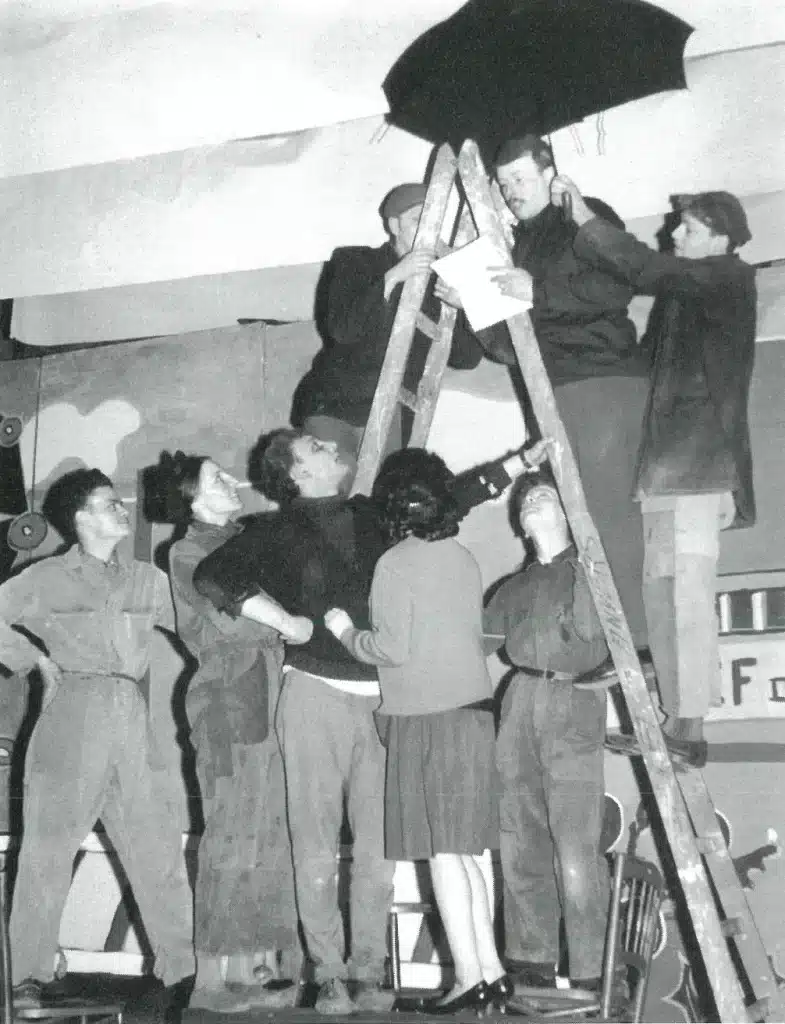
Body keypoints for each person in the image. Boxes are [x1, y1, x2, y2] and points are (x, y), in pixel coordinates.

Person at [191, 429, 550, 1015]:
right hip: (313, 696)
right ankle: (328, 974)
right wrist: (286, 621)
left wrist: (517, 462)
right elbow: (214, 576)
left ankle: (368, 971)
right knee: (313, 843)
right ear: (295, 473)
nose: (332, 448)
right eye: (316, 447)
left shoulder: (376, 515)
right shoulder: (271, 531)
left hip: (387, 703)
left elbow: (451, 496)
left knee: (380, 847)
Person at [550, 177, 757, 766]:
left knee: (687, 596)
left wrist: (586, 217)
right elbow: (643, 358)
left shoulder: (726, 277)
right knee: (660, 592)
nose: (673, 233)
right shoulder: (684, 296)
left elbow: (642, 267)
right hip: (666, 467)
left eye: (687, 228)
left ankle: (689, 729)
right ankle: (672, 721)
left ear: (720, 238)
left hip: (700, 465)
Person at [436, 133, 650, 647]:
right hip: (557, 388)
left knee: (607, 515)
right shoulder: (522, 242)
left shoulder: (585, 215)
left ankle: (635, 645)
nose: (511, 191)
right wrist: (472, 305)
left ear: (549, 171)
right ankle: (613, 640)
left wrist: (540, 291)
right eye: (504, 183)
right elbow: (511, 349)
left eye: (521, 179)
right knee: (586, 517)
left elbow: (620, 284)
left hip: (602, 379)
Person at [0, 469, 194, 1010]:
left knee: (158, 848)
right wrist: (33, 659)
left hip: (131, 715)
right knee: (46, 850)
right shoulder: (45, 577)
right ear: (81, 517)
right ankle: (28, 974)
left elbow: (197, 625)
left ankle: (182, 971)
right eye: (109, 503)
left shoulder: (148, 580)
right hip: (72, 711)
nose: (121, 510)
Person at [324, 449, 508, 1016]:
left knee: (443, 856)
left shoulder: (395, 563)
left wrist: (345, 631)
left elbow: (392, 649)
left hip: (426, 721)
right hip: (474, 714)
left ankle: (469, 979)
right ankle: (492, 973)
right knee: (470, 854)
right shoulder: (463, 556)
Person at [150, 451, 312, 1013]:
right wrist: (289, 623)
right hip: (228, 699)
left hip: (272, 692)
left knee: (272, 830)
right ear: (193, 500)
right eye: (217, 478)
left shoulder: (249, 537)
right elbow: (233, 616)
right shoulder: (186, 551)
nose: (232, 482)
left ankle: (264, 965)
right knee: (231, 833)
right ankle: (212, 979)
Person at [483, 475, 612, 993]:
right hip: (517, 700)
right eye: (527, 499)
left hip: (574, 698)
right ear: (518, 521)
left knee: (576, 842)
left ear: (568, 512)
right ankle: (530, 964)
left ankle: (592, 974)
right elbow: (472, 643)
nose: (534, 500)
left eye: (547, 497)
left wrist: (583, 558)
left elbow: (590, 632)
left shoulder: (590, 569)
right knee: (519, 837)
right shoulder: (510, 587)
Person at [292, 182, 484, 458]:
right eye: (417, 220)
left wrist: (464, 306)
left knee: (379, 497)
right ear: (394, 225)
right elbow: (342, 330)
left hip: (392, 412)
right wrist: (393, 276)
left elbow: (467, 359)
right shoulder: (354, 261)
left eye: (432, 222)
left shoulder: (440, 282)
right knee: (329, 488)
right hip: (336, 405)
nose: (427, 230)